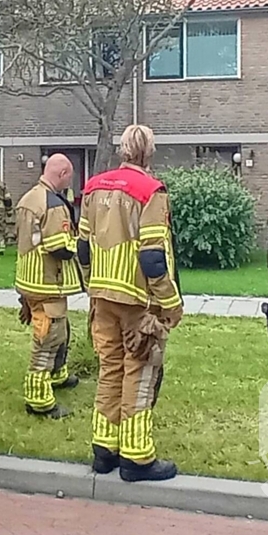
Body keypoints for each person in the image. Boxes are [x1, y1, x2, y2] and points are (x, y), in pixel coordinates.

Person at [77, 125, 182, 482]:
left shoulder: (93, 186)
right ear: (149, 153)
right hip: (137, 298)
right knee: (140, 372)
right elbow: (153, 257)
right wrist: (170, 304)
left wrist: (91, 283)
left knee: (109, 368)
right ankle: (137, 459)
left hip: (101, 295)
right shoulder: (151, 191)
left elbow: (82, 247)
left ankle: (103, 451)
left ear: (122, 150)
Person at [14, 154, 82, 418]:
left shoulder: (28, 198)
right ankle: (39, 399)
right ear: (62, 174)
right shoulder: (53, 204)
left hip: (29, 281)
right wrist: (83, 245)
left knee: (62, 329)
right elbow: (59, 246)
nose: (70, 182)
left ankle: (58, 374)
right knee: (48, 338)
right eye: (70, 177)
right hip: (47, 283)